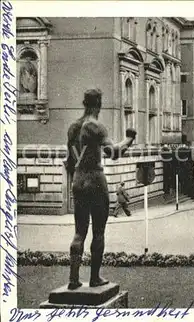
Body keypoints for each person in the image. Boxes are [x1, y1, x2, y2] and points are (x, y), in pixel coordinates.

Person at [66, 89, 136, 290]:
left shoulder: (73, 128)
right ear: (99, 104)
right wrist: (129, 139)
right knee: (98, 231)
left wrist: (77, 178)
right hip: (95, 178)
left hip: (78, 179)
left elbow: (70, 160)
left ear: (84, 102)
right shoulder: (96, 127)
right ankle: (94, 278)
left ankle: (73, 279)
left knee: (79, 232)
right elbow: (113, 153)